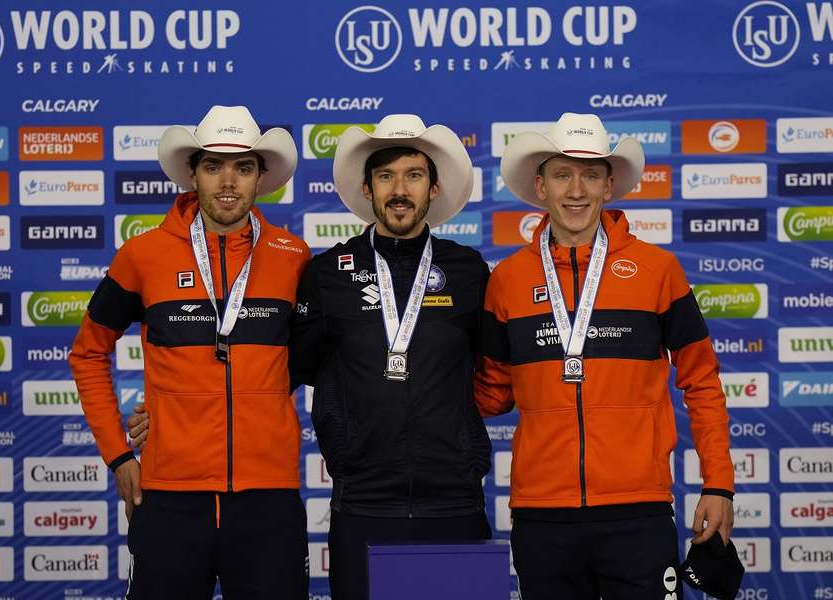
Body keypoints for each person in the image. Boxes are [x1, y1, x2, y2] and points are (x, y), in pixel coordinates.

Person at [475, 112, 735, 600]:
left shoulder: (659, 271)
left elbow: (701, 382)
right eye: (562, 175)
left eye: (590, 175)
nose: (577, 190)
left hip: (638, 511)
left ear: (609, 186)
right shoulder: (506, 280)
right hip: (542, 514)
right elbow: (489, 393)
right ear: (541, 186)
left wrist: (718, 483)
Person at [69, 105, 310, 599]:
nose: (228, 182)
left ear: (260, 178)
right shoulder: (142, 255)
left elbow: (319, 360)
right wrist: (118, 455)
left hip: (269, 501)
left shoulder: (294, 257)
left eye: (243, 167)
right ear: (192, 174)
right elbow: (88, 354)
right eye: (213, 166)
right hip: (170, 501)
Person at [291, 114, 493, 598]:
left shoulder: (468, 273)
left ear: (434, 188)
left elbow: (500, 374)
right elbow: (279, 373)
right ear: (367, 189)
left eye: (413, 175)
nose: (399, 190)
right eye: (386, 176)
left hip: (455, 503)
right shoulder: (327, 275)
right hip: (362, 503)